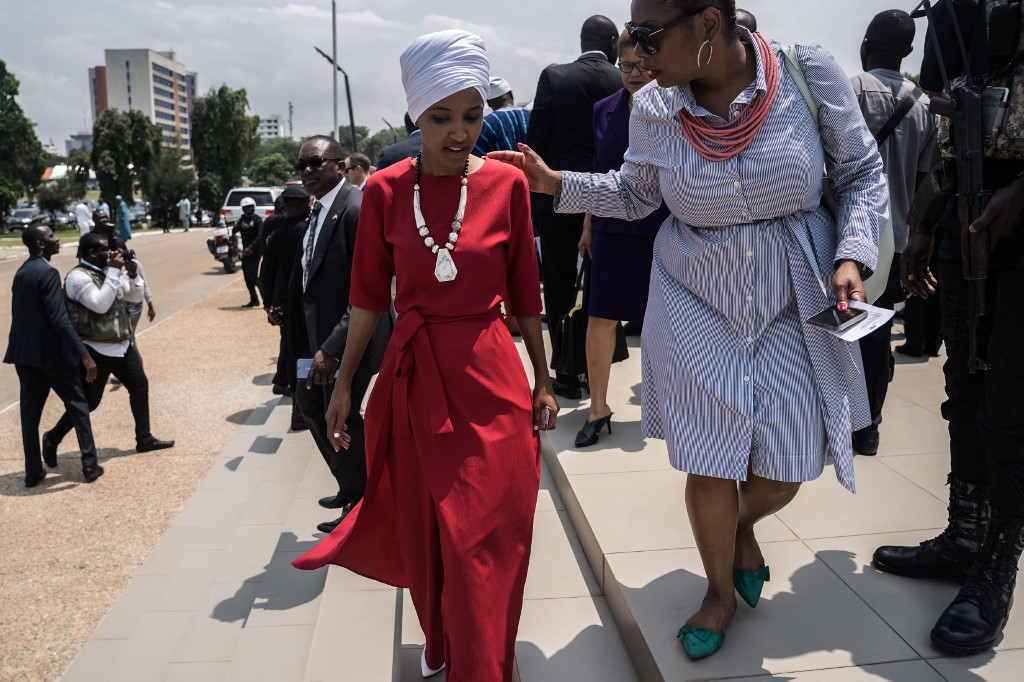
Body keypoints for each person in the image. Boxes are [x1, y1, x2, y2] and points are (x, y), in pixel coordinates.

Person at [493, 0, 886, 659]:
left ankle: (739, 531)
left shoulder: (806, 74)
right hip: (695, 293)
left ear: (708, 24)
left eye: (647, 37)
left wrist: (853, 256)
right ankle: (717, 593)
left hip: (795, 289)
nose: (636, 53)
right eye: (631, 38)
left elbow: (861, 173)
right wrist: (554, 182)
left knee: (786, 465)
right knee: (709, 456)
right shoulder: (654, 108)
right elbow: (636, 195)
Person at [292, 31, 559, 681]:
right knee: (433, 536)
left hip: (493, 375)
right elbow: (363, 303)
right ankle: (450, 646)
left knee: (489, 536)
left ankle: (487, 660)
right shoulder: (383, 191)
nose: (459, 133)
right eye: (441, 119)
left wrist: (545, 381)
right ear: (415, 115)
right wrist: (343, 386)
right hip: (413, 384)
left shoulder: (507, 186)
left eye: (472, 117)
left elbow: (526, 294)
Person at [872, 1, 1024, 656]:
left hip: (1016, 217)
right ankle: (964, 538)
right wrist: (924, 224)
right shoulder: (956, 13)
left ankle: (997, 564)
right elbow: (949, 123)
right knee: (964, 385)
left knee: (1009, 407)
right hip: (965, 210)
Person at [286, 135, 390, 534]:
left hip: (350, 339)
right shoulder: (318, 209)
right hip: (318, 338)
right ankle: (352, 486)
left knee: (342, 417)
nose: (308, 171)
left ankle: (366, 502)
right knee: (310, 405)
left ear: (341, 164)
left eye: (316, 162)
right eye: (302, 166)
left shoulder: (355, 208)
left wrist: (332, 347)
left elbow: (369, 289)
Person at [849, 9, 939, 455]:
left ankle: (841, 415)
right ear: (907, 52)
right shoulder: (923, 104)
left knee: (843, 325)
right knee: (878, 329)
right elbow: (925, 181)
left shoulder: (852, 90)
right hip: (898, 236)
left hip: (851, 235)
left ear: (866, 43)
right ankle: (870, 427)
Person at [575, 29, 671, 448]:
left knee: (661, 323)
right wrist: (588, 223)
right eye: (626, 66)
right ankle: (598, 407)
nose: (633, 74)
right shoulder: (603, 109)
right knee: (600, 317)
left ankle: (665, 407)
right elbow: (598, 170)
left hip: (664, 227)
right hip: (613, 227)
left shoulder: (676, 106)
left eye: (642, 66)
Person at [526, 15, 622, 400]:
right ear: (613, 42)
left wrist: (537, 206)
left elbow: (536, 141)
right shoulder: (624, 80)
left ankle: (566, 371)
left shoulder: (555, 76)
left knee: (561, 281)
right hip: (615, 194)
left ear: (582, 41)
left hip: (560, 196)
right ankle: (598, 364)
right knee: (604, 279)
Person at [43, 222, 175, 457]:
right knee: (90, 403)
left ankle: (144, 438)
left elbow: (133, 296)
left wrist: (133, 275)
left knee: (139, 386)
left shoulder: (109, 270)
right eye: (107, 250)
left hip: (123, 346)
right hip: (95, 350)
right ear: (92, 253)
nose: (114, 254)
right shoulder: (77, 277)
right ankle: (53, 437)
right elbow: (100, 305)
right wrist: (114, 271)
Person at [4, 225, 102, 486]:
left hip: (25, 356)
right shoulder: (47, 273)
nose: (56, 239)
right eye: (50, 237)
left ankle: (32, 472)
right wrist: (84, 355)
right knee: (79, 406)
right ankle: (90, 465)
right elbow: (59, 319)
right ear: (39, 244)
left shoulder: (22, 272)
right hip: (53, 357)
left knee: (30, 417)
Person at [260, 183, 311, 429]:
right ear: (301, 206)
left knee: (292, 352)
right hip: (308, 299)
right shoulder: (308, 231)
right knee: (312, 349)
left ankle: (298, 410)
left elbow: (266, 272)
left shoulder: (275, 236)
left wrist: (267, 303)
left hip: (285, 302)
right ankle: (312, 405)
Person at [472, 76, 532, 155]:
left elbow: (477, 156)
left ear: (489, 103)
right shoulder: (533, 115)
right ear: (511, 95)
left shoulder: (487, 123)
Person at [233, 197, 264, 307]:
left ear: (253, 207)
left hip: (255, 252)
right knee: (247, 277)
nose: (247, 209)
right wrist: (239, 226)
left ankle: (267, 299)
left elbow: (260, 235)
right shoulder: (242, 219)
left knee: (253, 276)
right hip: (245, 252)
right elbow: (234, 230)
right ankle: (254, 300)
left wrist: (250, 247)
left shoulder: (257, 219)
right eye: (245, 208)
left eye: (249, 207)